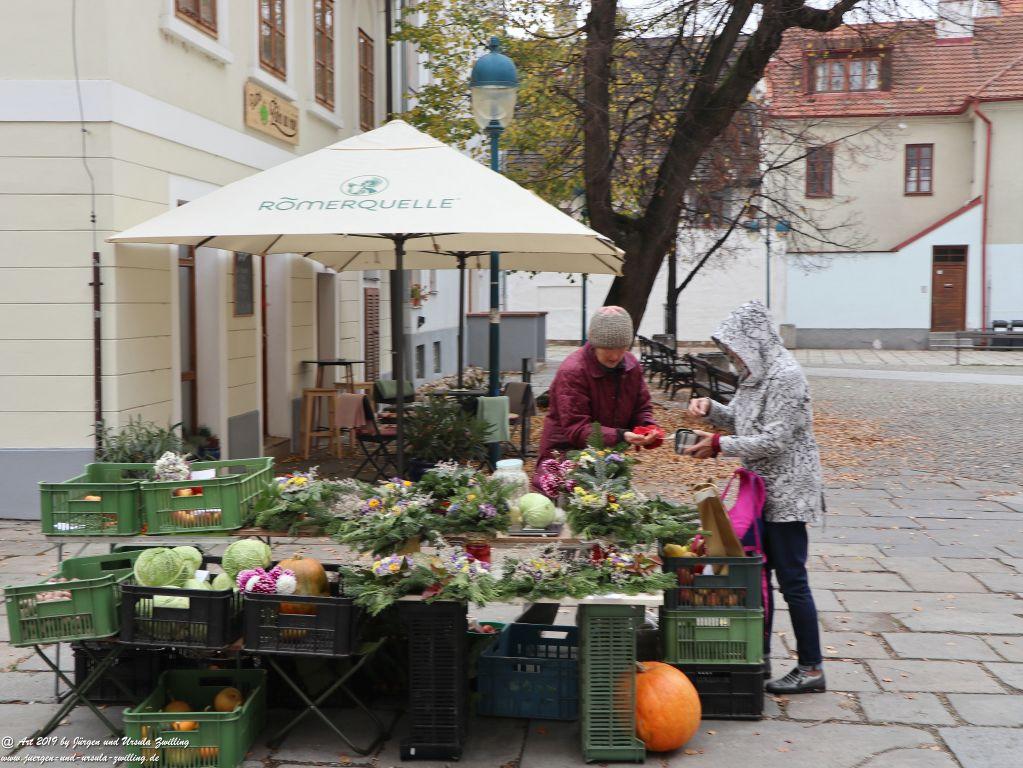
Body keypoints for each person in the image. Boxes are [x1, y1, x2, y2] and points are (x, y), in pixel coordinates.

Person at [684, 301, 826, 695]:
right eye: (729, 352)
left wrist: (717, 445)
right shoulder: (756, 374)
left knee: (792, 579)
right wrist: (712, 410)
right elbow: (746, 421)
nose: (732, 358)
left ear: (755, 341)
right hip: (759, 489)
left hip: (788, 491)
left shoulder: (786, 376)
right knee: (757, 576)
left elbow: (774, 439)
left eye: (735, 350)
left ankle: (811, 667)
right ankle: (757, 657)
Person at [534, 306, 661, 489]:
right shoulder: (573, 371)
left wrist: (647, 427)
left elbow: (641, 407)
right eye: (608, 349)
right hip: (564, 458)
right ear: (594, 344)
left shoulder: (631, 366)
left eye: (622, 348)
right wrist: (620, 435)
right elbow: (576, 428)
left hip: (607, 459)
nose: (615, 356)